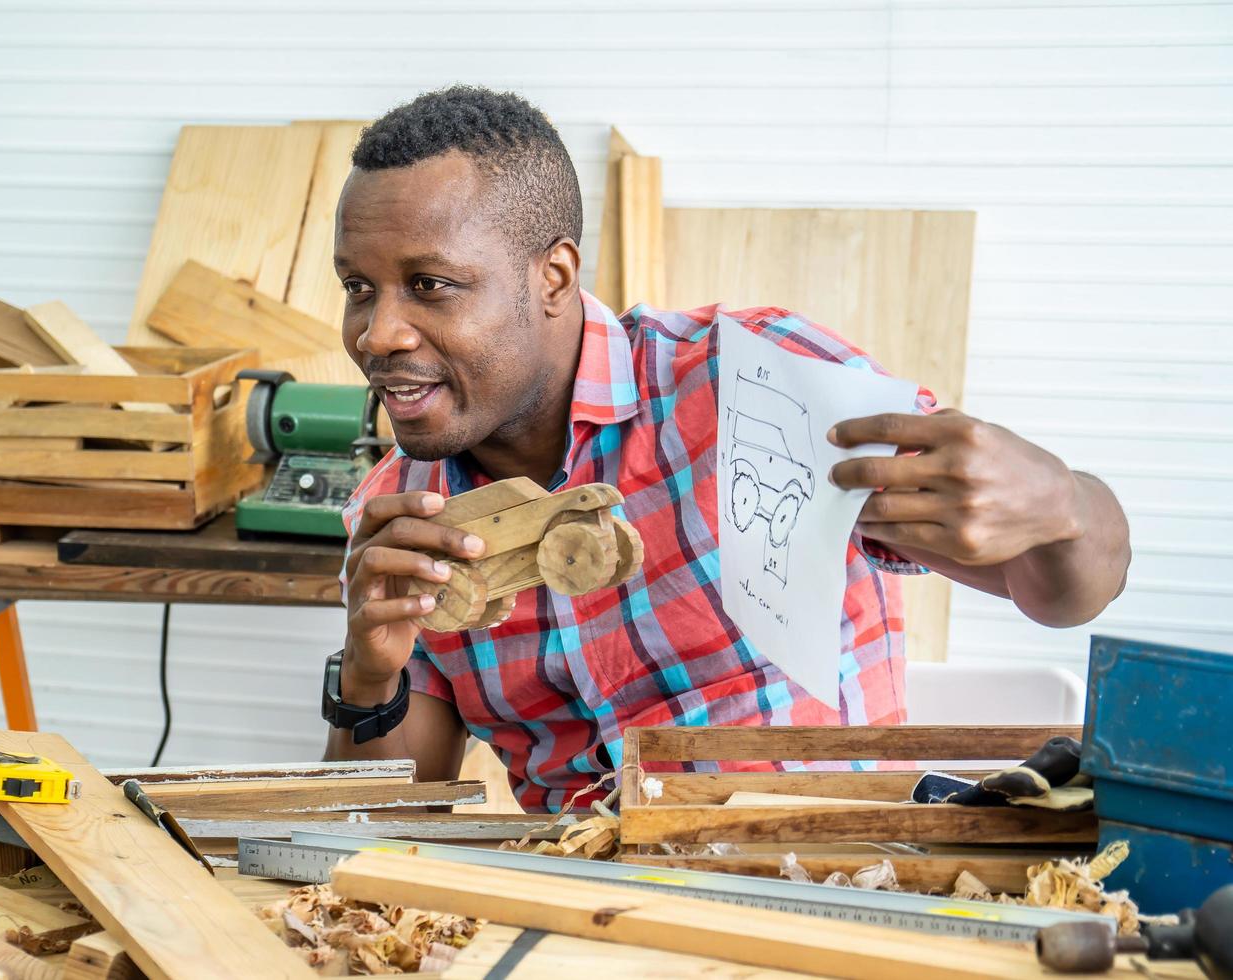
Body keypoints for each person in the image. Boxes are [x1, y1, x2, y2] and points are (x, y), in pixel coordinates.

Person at [319, 85, 1131, 812]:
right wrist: (366, 675)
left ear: (555, 278)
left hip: (823, 887)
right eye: (359, 287)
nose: (377, 332)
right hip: (590, 920)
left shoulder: (756, 384)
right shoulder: (400, 514)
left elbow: (1063, 593)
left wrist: (1066, 504)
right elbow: (387, 819)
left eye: (431, 286)